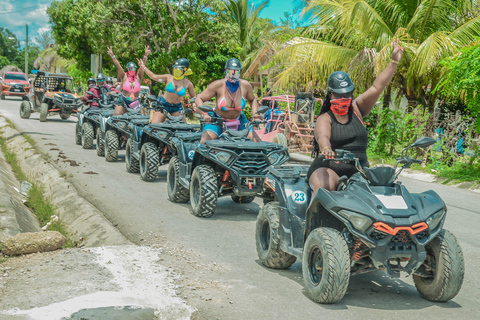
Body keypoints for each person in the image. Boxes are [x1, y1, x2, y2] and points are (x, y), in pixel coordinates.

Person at [308, 38, 404, 193]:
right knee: (324, 187)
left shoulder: (357, 109)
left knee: (383, 191)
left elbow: (377, 86)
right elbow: (322, 136)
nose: (343, 98)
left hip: (359, 172)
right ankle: (313, 217)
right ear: (330, 94)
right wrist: (326, 148)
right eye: (339, 95)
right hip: (329, 170)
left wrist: (394, 61)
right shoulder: (325, 118)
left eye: (347, 94)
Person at [195, 58, 260, 143]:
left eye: (236, 72)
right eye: (230, 71)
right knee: (205, 141)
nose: (233, 74)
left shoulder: (245, 85)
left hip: (239, 121)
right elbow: (199, 98)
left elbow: (252, 99)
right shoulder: (218, 85)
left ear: (240, 72)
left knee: (257, 142)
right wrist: (205, 114)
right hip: (218, 121)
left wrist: (255, 114)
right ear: (225, 71)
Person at [138, 57, 195, 123]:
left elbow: (193, 97)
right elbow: (153, 76)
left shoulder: (188, 83)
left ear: (185, 70)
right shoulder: (168, 77)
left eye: (179, 68)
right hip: (163, 105)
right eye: (175, 68)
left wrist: (194, 105)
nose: (176, 70)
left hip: (177, 107)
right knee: (155, 127)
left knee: (183, 129)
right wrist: (143, 66)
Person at [107, 45, 151, 115]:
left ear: (136, 69)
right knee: (115, 118)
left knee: (143, 118)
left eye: (134, 68)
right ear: (127, 69)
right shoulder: (124, 76)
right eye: (130, 69)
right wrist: (112, 55)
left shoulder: (138, 77)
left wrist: (145, 55)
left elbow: (143, 66)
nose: (132, 70)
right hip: (124, 100)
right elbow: (118, 65)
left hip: (135, 101)